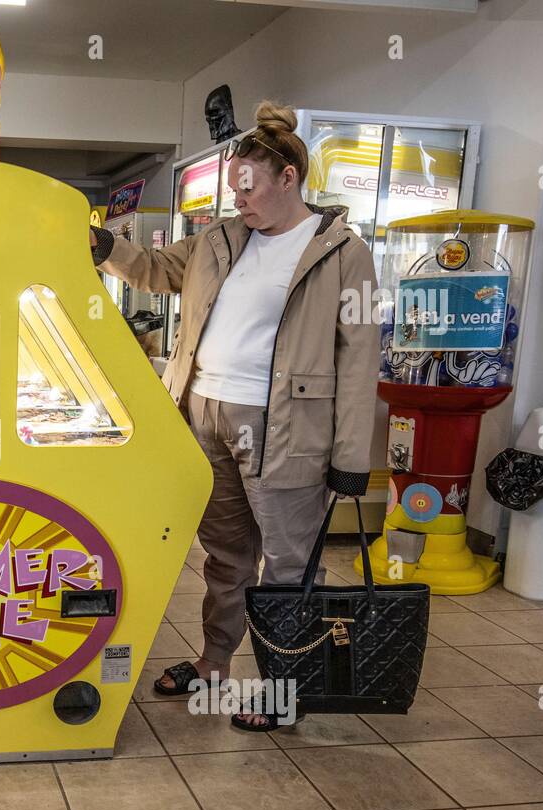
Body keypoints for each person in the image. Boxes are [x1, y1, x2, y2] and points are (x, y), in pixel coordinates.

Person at [90, 101, 380, 730]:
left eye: (249, 189)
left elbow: (360, 356)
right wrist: (104, 245)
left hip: (287, 428)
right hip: (202, 415)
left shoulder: (343, 253)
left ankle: (285, 687)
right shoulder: (222, 238)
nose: (240, 201)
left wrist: (353, 457)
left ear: (288, 179)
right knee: (224, 555)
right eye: (234, 190)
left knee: (286, 561)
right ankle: (215, 665)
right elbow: (156, 269)